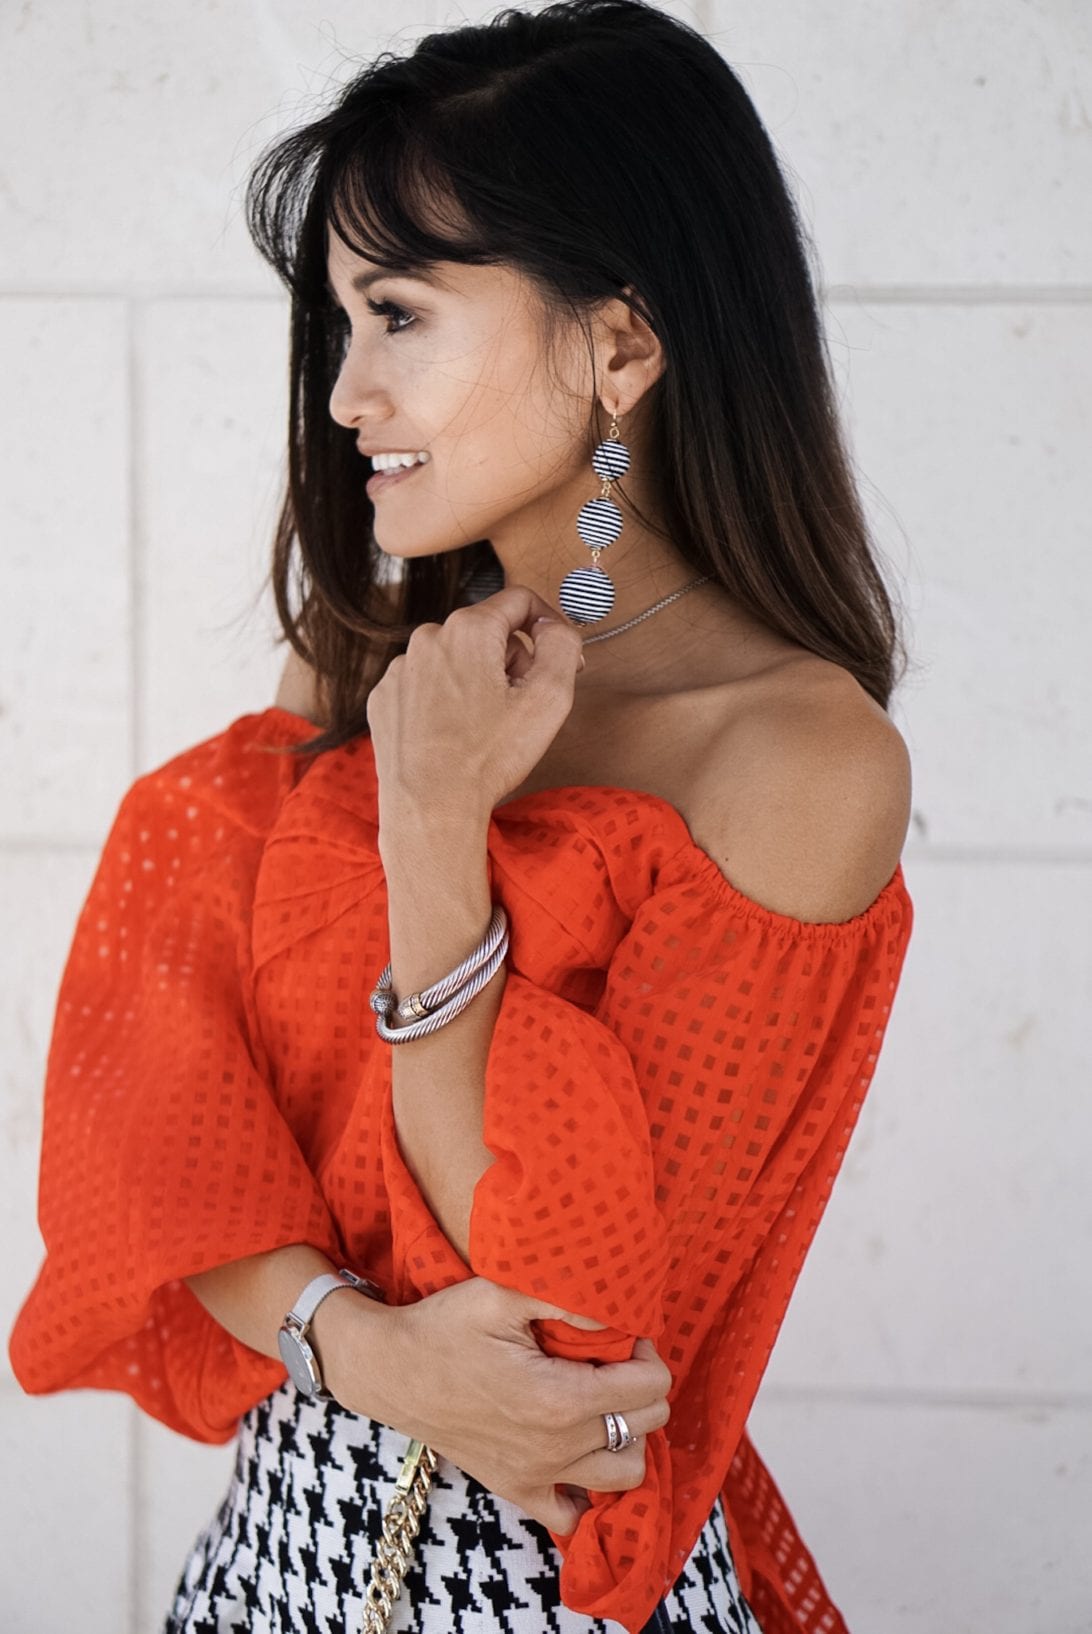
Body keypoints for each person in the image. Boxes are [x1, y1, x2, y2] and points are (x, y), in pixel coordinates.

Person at [7, 2, 916, 1630]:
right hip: (270, 1556)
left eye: (401, 314)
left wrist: (433, 840)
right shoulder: (371, 660)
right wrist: (352, 1344)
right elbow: (158, 1112)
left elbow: (572, 1324)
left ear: (622, 348)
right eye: (341, 320)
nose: (348, 390)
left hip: (541, 1580)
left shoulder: (798, 761)